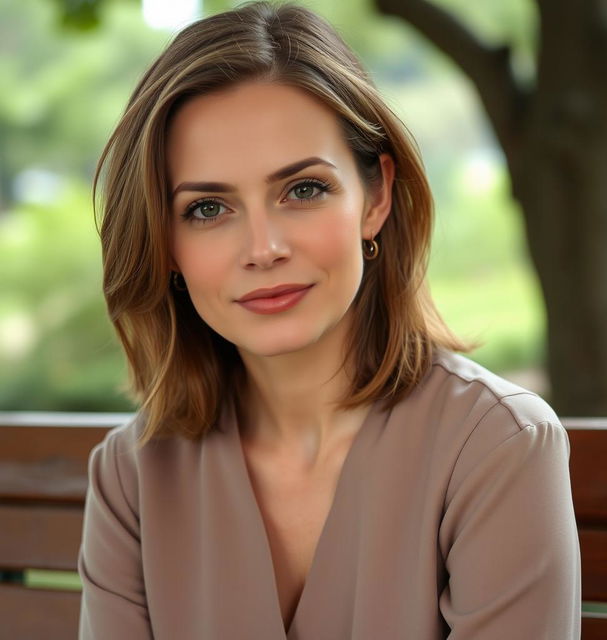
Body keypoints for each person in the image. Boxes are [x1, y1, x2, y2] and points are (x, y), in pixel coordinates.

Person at [77, 2, 581, 638]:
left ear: (375, 197)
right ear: (163, 241)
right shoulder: (133, 476)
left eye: (303, 189)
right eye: (207, 208)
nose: (263, 248)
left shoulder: (496, 449)